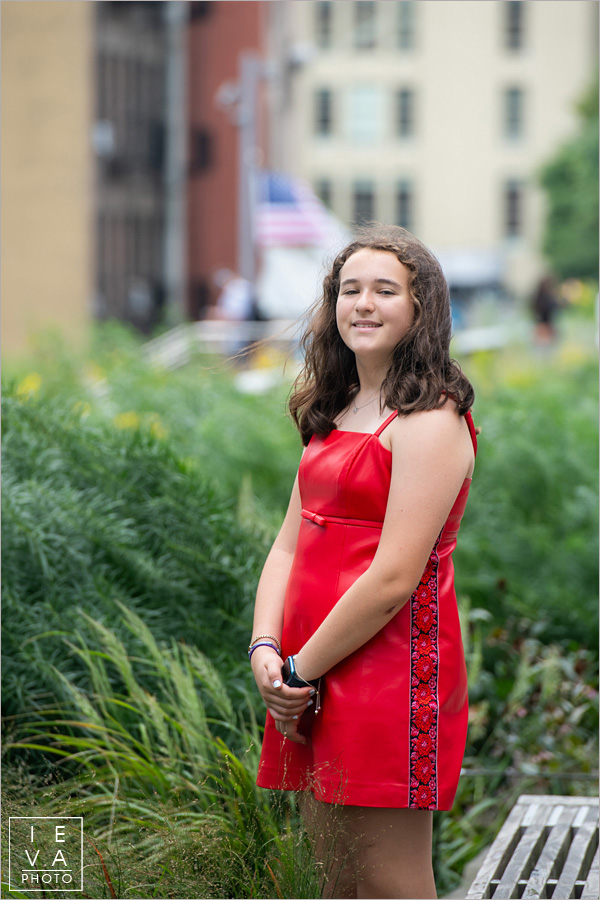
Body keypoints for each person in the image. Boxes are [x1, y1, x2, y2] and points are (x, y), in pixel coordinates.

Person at [248, 224, 478, 899]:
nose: (363, 304)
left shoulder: (430, 420)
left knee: (390, 884)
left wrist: (294, 670)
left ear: (420, 308)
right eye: (350, 289)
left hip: (390, 675)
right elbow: (288, 543)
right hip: (306, 670)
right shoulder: (336, 407)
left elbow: (392, 580)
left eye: (385, 290)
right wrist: (266, 648)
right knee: (336, 878)